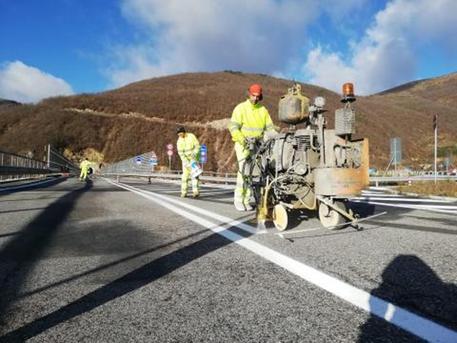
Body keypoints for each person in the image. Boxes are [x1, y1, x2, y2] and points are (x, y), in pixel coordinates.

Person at [228, 83, 276, 211]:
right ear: (249, 94)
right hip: (243, 145)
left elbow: (270, 128)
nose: (255, 98)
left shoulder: (263, 110)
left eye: (257, 96)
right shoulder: (241, 108)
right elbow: (233, 127)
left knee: (253, 174)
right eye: (253, 95)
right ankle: (238, 200)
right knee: (244, 172)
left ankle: (246, 200)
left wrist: (276, 137)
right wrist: (243, 140)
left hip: (258, 146)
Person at [176, 126, 201, 198]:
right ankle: (184, 192)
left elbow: (197, 146)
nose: (180, 135)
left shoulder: (191, 136)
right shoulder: (179, 141)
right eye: (178, 134)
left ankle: (195, 192)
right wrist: (186, 162)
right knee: (185, 177)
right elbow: (180, 153)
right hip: (186, 161)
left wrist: (194, 155)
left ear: (184, 132)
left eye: (180, 133)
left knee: (195, 176)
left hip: (194, 159)